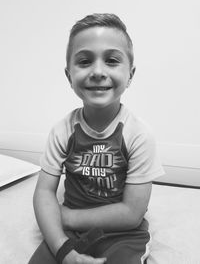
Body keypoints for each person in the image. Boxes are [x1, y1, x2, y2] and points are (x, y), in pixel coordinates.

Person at [28, 13, 165, 264]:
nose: (98, 71)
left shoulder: (139, 134)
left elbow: (131, 213)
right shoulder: (62, 130)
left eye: (112, 60)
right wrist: (63, 249)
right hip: (68, 232)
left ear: (130, 74)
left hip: (122, 234)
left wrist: (68, 216)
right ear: (69, 76)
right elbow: (44, 193)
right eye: (84, 61)